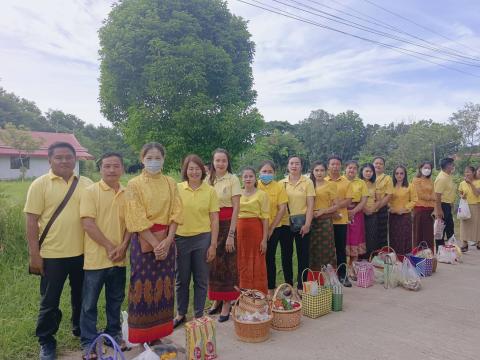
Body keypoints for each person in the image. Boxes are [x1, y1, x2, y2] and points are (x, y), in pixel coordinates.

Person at [24, 142, 93, 360]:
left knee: (81, 297)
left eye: (68, 157)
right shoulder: (40, 184)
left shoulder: (86, 183)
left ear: (75, 159)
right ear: (49, 160)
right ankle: (46, 341)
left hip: (82, 254)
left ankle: (80, 329)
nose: (64, 161)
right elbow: (32, 221)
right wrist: (35, 255)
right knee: (49, 302)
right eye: (59, 157)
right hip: (52, 256)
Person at [124, 142, 183, 343]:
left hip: (167, 240)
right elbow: (135, 216)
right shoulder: (134, 184)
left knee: (165, 287)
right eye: (149, 158)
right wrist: (156, 243)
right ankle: (142, 335)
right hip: (144, 242)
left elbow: (177, 211)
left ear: (163, 160)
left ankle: (159, 334)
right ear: (142, 160)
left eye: (157, 158)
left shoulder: (170, 183)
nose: (153, 162)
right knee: (142, 287)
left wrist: (168, 241)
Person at [79, 153, 130, 357]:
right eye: (107, 166)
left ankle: (114, 333)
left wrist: (123, 246)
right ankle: (89, 342)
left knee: (116, 299)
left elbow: (131, 225)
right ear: (100, 169)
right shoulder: (90, 191)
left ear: (122, 169)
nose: (111, 170)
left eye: (115, 166)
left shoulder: (128, 193)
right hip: (96, 259)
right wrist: (110, 246)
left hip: (119, 259)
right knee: (89, 303)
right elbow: (87, 223)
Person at [174, 155, 219, 328]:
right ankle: (181, 314)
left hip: (203, 239)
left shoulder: (210, 191)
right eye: (190, 168)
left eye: (197, 168)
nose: (194, 172)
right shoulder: (177, 189)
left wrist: (213, 244)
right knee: (182, 279)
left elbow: (214, 219)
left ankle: (199, 314)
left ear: (203, 170)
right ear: (185, 170)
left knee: (201, 279)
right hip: (181, 239)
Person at [207, 148, 241, 322]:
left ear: (228, 163)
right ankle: (216, 300)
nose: (220, 163)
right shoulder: (208, 179)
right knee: (213, 264)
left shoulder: (233, 179)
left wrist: (231, 234)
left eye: (224, 161)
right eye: (217, 160)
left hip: (228, 225)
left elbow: (236, 208)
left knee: (228, 264)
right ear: (213, 161)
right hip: (211, 225)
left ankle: (227, 302)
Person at [281, 156, 315, 293]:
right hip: (285, 224)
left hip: (303, 224)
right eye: (291, 163)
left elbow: (311, 205)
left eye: (297, 163)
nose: (294, 166)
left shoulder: (307, 182)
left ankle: (301, 285)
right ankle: (288, 285)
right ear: (287, 166)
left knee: (303, 255)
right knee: (286, 255)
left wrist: (307, 224)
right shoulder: (281, 183)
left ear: (301, 166)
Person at [257, 160, 289, 297]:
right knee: (257, 258)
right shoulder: (254, 185)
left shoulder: (279, 187)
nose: (267, 174)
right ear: (259, 172)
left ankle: (270, 289)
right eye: (264, 171)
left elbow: (282, 209)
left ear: (274, 173)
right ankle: (257, 288)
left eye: (270, 172)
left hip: (274, 227)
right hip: (256, 227)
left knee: (269, 258)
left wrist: (271, 228)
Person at [237, 167, 270, 296]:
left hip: (256, 231)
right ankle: (243, 294)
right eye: (245, 176)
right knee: (241, 260)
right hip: (240, 232)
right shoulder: (237, 194)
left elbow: (265, 217)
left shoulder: (262, 195)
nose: (248, 179)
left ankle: (258, 294)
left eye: (251, 176)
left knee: (257, 261)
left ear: (255, 178)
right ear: (242, 178)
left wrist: (264, 239)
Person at [325, 156, 353, 287]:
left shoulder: (346, 182)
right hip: (325, 221)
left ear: (340, 166)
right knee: (326, 250)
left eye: (337, 164)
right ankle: (327, 277)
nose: (335, 166)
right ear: (328, 166)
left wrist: (336, 210)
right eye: (332, 164)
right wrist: (333, 212)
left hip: (341, 221)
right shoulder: (322, 180)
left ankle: (342, 275)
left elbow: (348, 200)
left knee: (341, 249)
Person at [309, 161, 338, 271]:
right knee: (311, 249)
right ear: (313, 171)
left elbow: (336, 206)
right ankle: (312, 277)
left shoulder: (331, 185)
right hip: (310, 221)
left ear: (326, 172)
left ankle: (327, 276)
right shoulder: (308, 184)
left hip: (325, 222)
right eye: (316, 170)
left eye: (321, 170)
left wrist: (323, 211)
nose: (319, 173)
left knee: (326, 250)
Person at [345, 161, 368, 271]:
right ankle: (341, 269)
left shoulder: (361, 183)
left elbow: (364, 200)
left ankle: (352, 269)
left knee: (355, 239)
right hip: (341, 213)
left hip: (357, 213)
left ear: (357, 170)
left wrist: (353, 211)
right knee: (343, 239)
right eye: (350, 167)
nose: (352, 170)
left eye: (354, 168)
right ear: (345, 169)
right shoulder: (341, 181)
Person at [389, 165, 417, 255]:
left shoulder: (410, 186)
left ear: (405, 175)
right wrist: (390, 208)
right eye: (397, 173)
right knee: (394, 237)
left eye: (401, 173)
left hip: (405, 216)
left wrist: (404, 208)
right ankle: (395, 258)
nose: (399, 175)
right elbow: (387, 199)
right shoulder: (390, 186)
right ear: (394, 175)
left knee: (405, 237)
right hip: (393, 216)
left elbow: (414, 200)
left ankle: (405, 258)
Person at [412, 162, 436, 251]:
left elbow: (434, 195)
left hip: (430, 211)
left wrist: (431, 199)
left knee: (428, 234)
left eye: (429, 168)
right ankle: (417, 254)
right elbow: (419, 194)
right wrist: (430, 197)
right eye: (425, 168)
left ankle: (428, 254)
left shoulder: (431, 181)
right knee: (418, 233)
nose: (427, 170)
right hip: (419, 210)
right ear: (420, 168)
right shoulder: (416, 180)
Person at [433, 158, 457, 250]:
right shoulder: (441, 178)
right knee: (440, 229)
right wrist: (439, 210)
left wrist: (451, 203)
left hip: (447, 205)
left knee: (450, 227)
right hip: (442, 205)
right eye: (452, 164)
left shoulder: (448, 175)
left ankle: (450, 248)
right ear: (447, 166)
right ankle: (440, 250)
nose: (453, 166)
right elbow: (437, 195)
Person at [373, 157, 394, 249]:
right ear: (372, 164)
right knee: (370, 233)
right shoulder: (368, 176)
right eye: (376, 163)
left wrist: (377, 207)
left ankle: (382, 255)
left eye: (380, 163)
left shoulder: (387, 178)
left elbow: (389, 195)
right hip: (367, 209)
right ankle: (370, 256)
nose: (378, 165)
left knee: (382, 233)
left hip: (381, 209)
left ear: (384, 166)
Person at [458, 166, 480, 251]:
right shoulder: (462, 183)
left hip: (476, 205)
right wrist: (461, 196)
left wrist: (470, 183)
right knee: (464, 224)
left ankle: (478, 242)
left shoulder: (478, 182)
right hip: (465, 206)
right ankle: (464, 244)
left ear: (474, 172)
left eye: (469, 172)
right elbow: (460, 193)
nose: (467, 173)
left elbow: (477, 194)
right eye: (465, 172)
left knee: (477, 225)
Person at [359, 163, 378, 258]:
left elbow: (378, 199)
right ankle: (359, 260)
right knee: (360, 237)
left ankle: (368, 260)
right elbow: (356, 199)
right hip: (359, 213)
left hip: (372, 214)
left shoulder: (374, 183)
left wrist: (373, 209)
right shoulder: (357, 182)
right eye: (366, 171)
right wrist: (364, 209)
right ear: (362, 171)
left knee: (371, 238)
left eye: (370, 171)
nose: (368, 173)